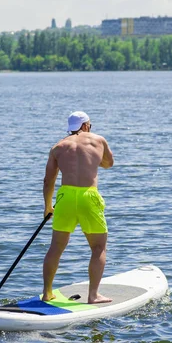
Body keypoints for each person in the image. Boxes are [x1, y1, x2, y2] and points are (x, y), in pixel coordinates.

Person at [42, 111, 114, 304]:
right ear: (84, 126)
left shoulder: (58, 147)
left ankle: (47, 293)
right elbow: (109, 163)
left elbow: (48, 181)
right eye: (89, 124)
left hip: (65, 197)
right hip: (88, 196)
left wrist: (48, 207)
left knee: (56, 247)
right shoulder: (98, 140)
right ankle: (93, 296)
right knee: (98, 247)